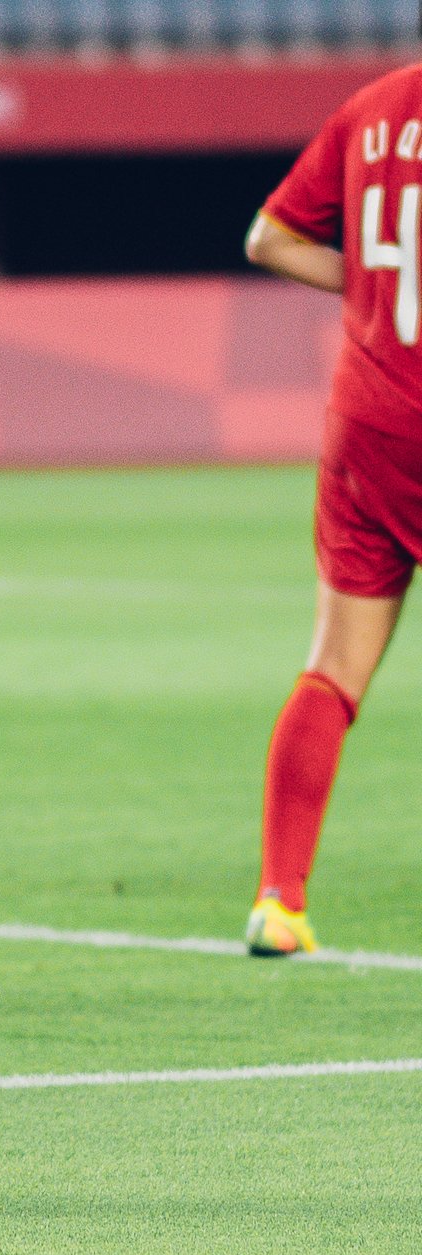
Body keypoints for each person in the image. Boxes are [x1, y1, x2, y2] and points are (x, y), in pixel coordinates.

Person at [242, 56, 422, 957]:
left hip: (368, 426)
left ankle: (281, 899)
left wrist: (380, 289)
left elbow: (268, 239)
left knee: (334, 670)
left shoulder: (373, 107)